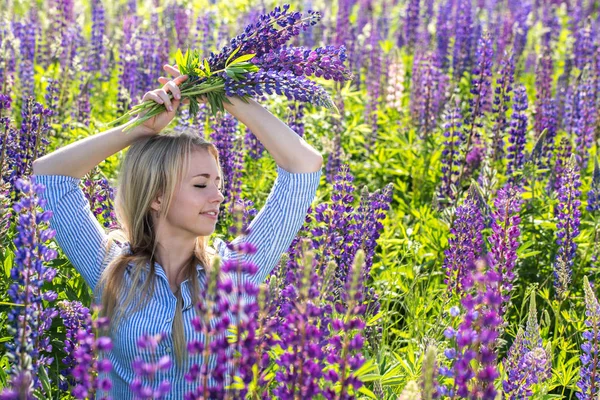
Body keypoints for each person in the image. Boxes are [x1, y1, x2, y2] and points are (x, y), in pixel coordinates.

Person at [32, 63, 323, 398]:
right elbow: (49, 177)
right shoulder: (110, 268)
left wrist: (228, 96)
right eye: (201, 184)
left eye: (218, 183)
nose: (218, 195)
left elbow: (303, 165)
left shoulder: (233, 273)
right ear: (157, 197)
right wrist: (138, 129)